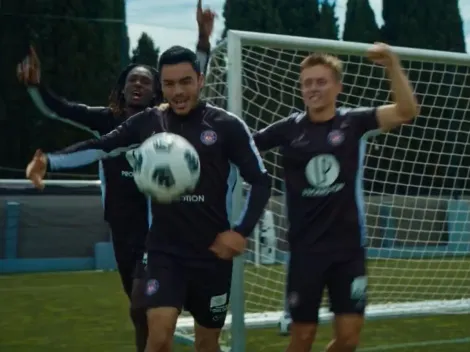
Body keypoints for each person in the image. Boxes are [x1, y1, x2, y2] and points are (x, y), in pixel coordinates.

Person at [26, 45, 271, 352]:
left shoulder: (226, 126)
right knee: (157, 339)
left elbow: (261, 180)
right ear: (162, 87)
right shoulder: (148, 123)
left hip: (212, 256)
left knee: (207, 344)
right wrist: (50, 161)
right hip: (164, 254)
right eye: (169, 84)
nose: (178, 91)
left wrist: (240, 231)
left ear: (200, 80)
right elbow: (103, 146)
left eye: (185, 82)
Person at [17, 2, 215, 351]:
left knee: (144, 302)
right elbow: (57, 109)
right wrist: (36, 87)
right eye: (132, 80)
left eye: (146, 81)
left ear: (156, 91)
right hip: (122, 228)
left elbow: (191, 79)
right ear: (122, 88)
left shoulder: (164, 121)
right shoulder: (106, 121)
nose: (138, 84)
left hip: (160, 227)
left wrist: (202, 38)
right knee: (139, 311)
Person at [253, 44, 419, 352]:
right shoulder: (288, 129)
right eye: (307, 83)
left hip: (348, 251)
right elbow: (244, 147)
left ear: (338, 86)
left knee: (348, 339)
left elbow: (406, 110)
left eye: (321, 81)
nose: (313, 88)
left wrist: (392, 65)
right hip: (306, 253)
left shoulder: (353, 122)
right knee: (301, 338)